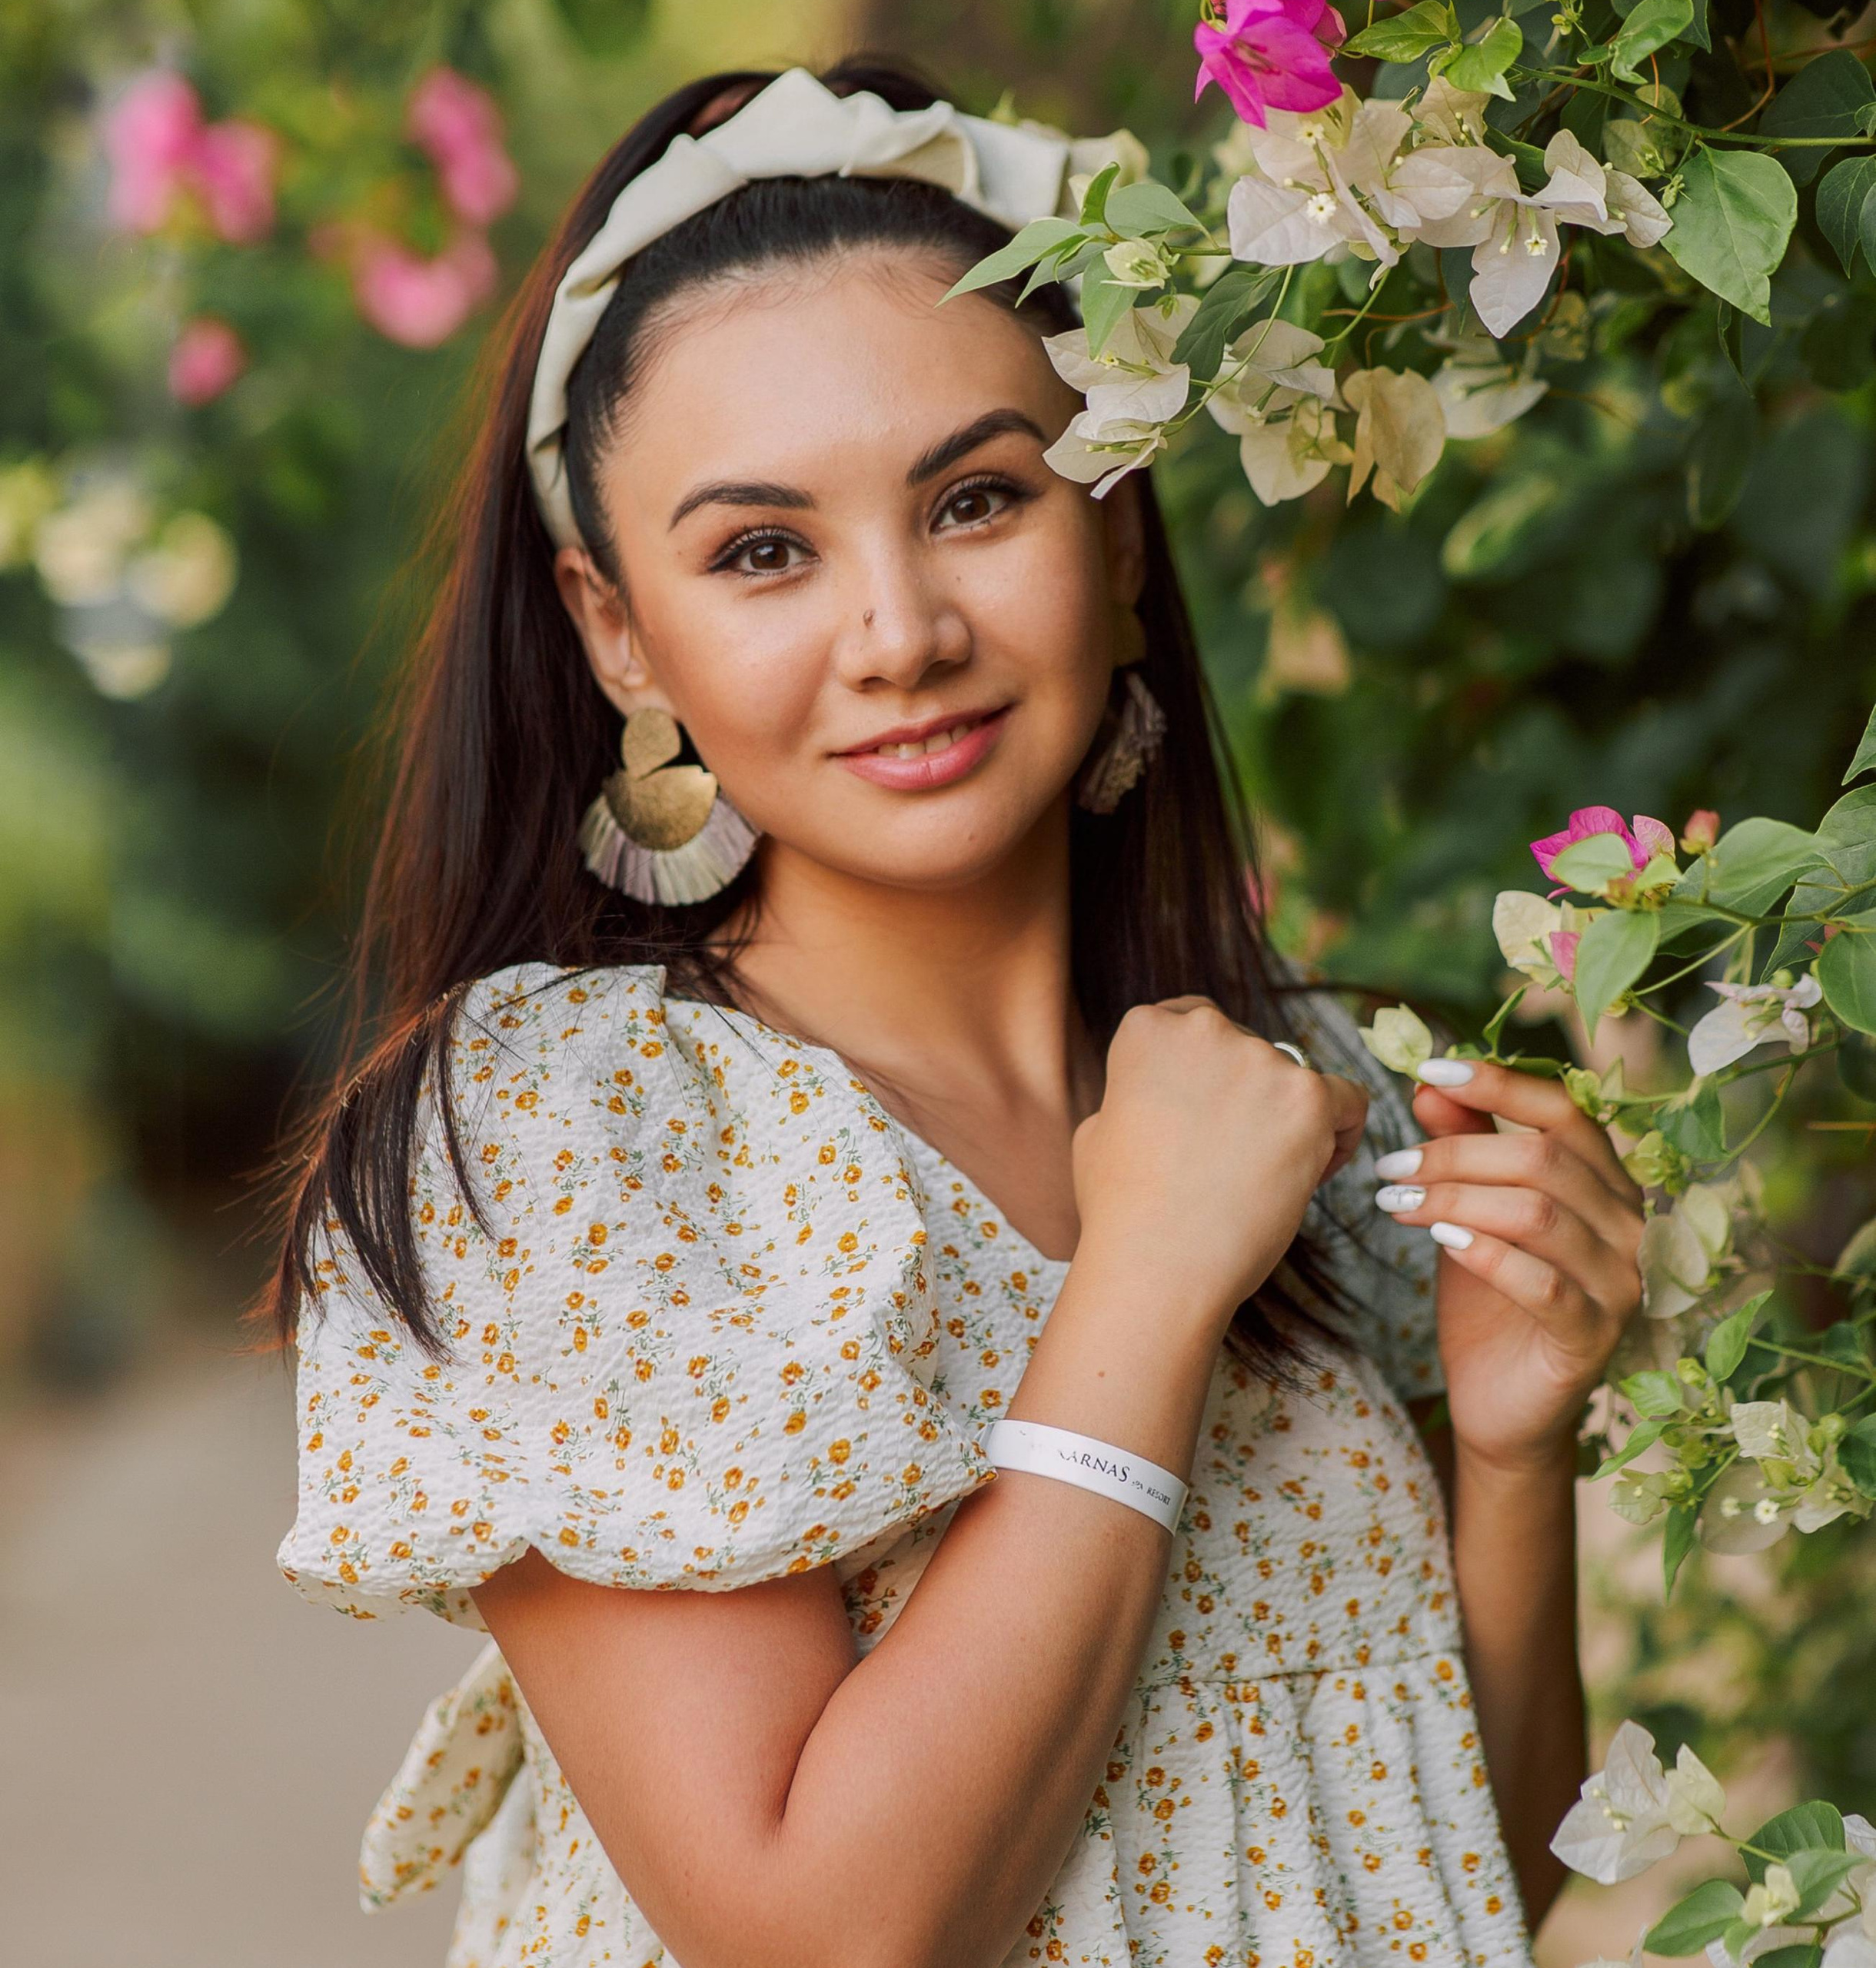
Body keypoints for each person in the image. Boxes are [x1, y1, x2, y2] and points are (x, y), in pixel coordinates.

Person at [269, 57, 1646, 1968]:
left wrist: (1509, 1448)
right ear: (614, 629)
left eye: (977, 499)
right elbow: (822, 1932)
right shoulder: (570, 1131)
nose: (898, 629)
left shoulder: (1298, 1097)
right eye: (763, 550)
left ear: (1116, 542)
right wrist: (1146, 1280)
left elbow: (1442, 1866)